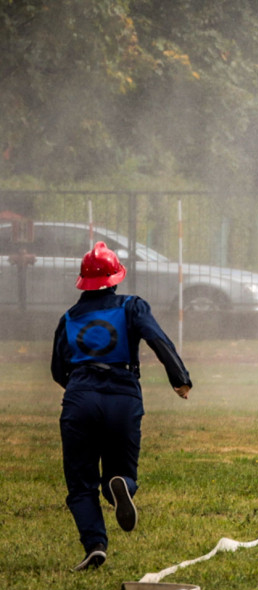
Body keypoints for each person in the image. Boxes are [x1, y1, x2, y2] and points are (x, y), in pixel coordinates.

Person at [51, 242, 192, 571]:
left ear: (83, 281)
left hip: (80, 396)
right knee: (122, 470)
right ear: (115, 278)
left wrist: (79, 389)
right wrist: (179, 379)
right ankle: (120, 489)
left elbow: (58, 370)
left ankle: (95, 545)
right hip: (122, 395)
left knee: (80, 482)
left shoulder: (69, 317)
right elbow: (158, 340)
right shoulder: (132, 306)